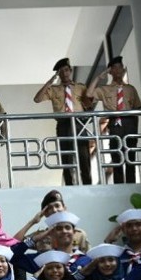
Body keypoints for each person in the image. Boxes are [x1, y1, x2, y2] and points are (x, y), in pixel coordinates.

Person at [85, 56, 141, 184]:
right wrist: (98, 78)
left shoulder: (130, 89)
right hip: (114, 123)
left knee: (130, 158)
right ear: (110, 71)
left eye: (120, 67)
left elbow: (138, 109)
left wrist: (134, 130)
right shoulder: (105, 89)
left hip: (129, 124)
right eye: (115, 68)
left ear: (123, 70)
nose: (118, 70)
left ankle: (131, 186)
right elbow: (89, 95)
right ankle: (119, 185)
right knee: (116, 156)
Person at [33, 58, 91, 186]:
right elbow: (37, 99)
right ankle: (70, 185)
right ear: (58, 74)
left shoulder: (80, 87)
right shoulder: (54, 89)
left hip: (78, 123)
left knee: (84, 157)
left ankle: (88, 184)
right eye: (60, 72)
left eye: (66, 70)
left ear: (70, 70)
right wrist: (50, 81)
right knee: (66, 158)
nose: (64, 73)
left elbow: (89, 103)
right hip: (63, 124)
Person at [105, 208, 141, 275]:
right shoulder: (118, 255)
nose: (134, 229)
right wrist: (108, 242)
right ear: (123, 230)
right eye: (129, 225)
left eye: (138, 224)